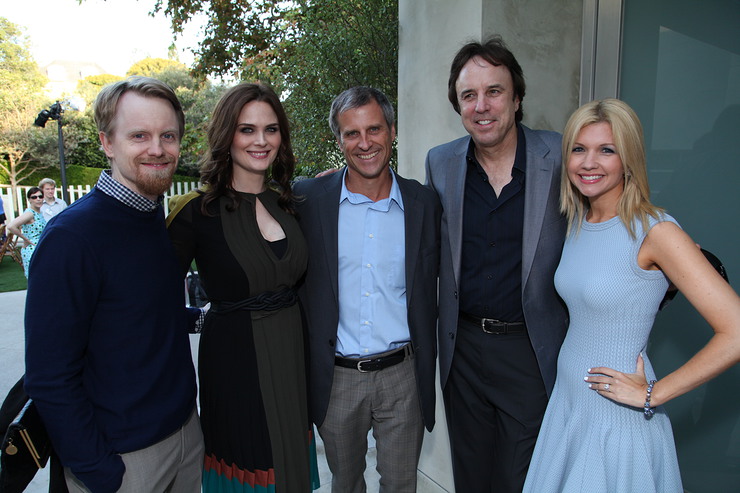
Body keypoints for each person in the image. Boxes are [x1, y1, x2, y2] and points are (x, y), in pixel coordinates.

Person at [523, 99, 740, 492]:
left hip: (615, 416)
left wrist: (655, 393)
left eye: (607, 150)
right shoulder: (578, 222)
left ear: (629, 159)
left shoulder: (656, 231)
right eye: (579, 149)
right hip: (570, 405)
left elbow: (737, 331)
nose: (589, 163)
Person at [24, 76, 204, 493]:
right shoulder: (72, 237)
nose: (157, 148)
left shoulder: (150, 214)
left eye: (168, 135)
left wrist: (205, 318)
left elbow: (133, 312)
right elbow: (50, 376)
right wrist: (99, 472)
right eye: (139, 135)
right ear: (107, 142)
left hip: (185, 438)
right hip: (124, 461)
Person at [424, 36, 569, 492]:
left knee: (522, 479)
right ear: (458, 105)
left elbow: (612, 212)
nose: (481, 106)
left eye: (494, 91)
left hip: (530, 349)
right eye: (469, 95)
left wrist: (658, 260)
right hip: (462, 351)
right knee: (471, 478)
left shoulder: (561, 156)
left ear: (517, 97)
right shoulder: (441, 162)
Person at [167, 82, 315, 492]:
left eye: (271, 129)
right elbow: (150, 297)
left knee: (287, 463)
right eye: (247, 129)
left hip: (291, 354)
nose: (261, 140)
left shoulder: (289, 203)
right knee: (249, 462)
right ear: (226, 134)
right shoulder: (197, 212)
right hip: (234, 362)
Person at [294, 86, 441, 493]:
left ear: (392, 131)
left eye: (374, 129)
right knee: (345, 483)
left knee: (400, 484)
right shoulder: (308, 199)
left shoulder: (425, 204)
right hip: (337, 377)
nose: (365, 143)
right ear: (338, 140)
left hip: (403, 376)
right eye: (351, 134)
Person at [7, 187, 46, 277]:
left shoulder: (39, 213)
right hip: (32, 249)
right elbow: (11, 226)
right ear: (29, 200)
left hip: (39, 248)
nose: (38, 199)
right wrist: (25, 239)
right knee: (36, 278)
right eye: (34, 197)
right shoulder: (30, 214)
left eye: (40, 196)